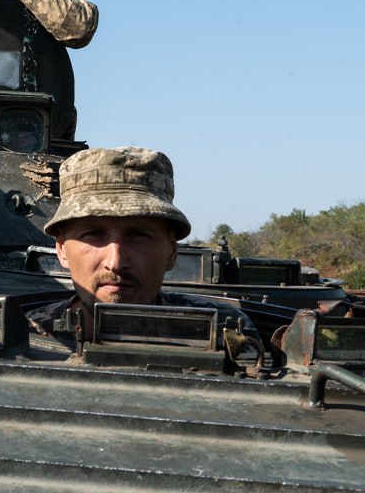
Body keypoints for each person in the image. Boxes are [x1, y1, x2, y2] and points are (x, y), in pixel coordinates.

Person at [29, 146, 256, 344]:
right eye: (93, 234)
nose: (115, 263)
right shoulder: (27, 333)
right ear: (61, 249)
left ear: (171, 251)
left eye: (138, 236)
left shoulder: (224, 332)